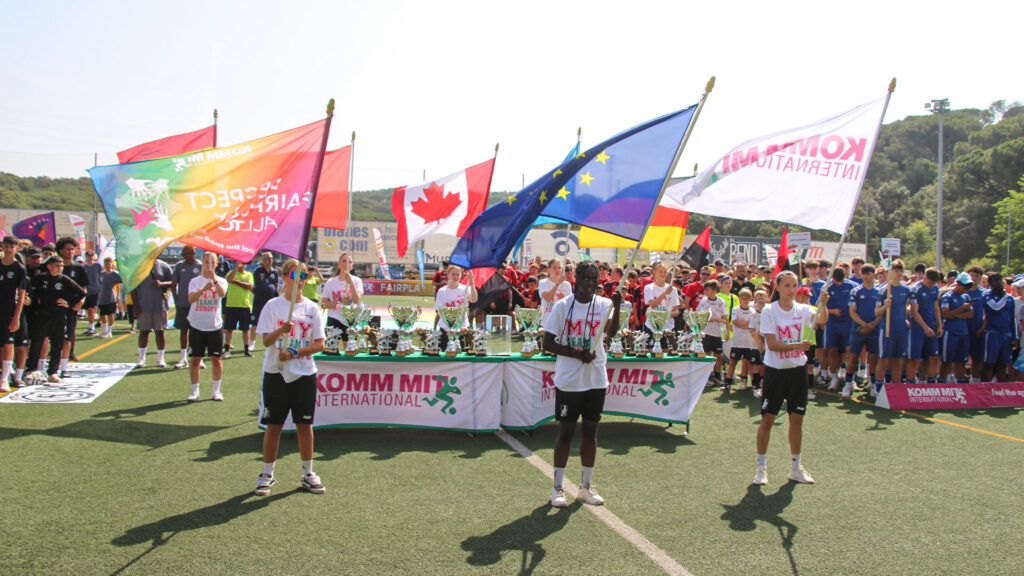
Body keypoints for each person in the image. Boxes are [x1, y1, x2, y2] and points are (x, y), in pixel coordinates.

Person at [542, 261, 620, 507]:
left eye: (593, 279)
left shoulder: (605, 304)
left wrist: (617, 307)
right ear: (575, 278)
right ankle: (557, 488)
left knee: (591, 432)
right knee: (565, 433)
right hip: (570, 380)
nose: (589, 283)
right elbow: (548, 343)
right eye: (585, 278)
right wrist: (577, 353)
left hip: (596, 378)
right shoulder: (562, 307)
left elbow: (612, 332)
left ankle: (585, 487)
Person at [255, 258, 326, 496]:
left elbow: (319, 344)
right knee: (273, 425)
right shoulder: (272, 306)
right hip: (276, 373)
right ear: (284, 278)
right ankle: (267, 473)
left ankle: (308, 473)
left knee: (304, 425)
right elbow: (265, 341)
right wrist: (280, 331)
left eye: (304, 276)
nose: (300, 281)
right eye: (296, 276)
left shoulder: (311, 308)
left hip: (305, 373)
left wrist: (295, 352)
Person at [754, 270, 827, 486]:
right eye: (787, 285)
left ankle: (796, 467)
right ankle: (761, 468)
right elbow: (773, 345)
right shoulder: (769, 310)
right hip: (776, 371)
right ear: (777, 287)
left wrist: (823, 303)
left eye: (794, 285)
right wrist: (799, 345)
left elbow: (821, 319)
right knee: (768, 418)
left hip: (797, 370)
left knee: (797, 418)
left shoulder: (803, 309)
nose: (792, 290)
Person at [27, 256, 85, 383]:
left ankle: (53, 372)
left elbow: (81, 293)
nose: (60, 268)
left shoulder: (64, 280)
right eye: (57, 266)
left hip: (58, 316)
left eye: (61, 266)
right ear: (49, 266)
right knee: (37, 342)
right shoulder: (40, 278)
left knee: (57, 344)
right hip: (42, 315)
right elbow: (31, 292)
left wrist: (69, 302)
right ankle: (31, 369)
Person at [186, 252, 228, 401]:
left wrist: (214, 280)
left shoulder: (222, 281)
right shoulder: (194, 281)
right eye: (206, 262)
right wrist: (203, 289)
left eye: (212, 262)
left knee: (216, 359)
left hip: (214, 326)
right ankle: (194, 390)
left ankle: (216, 391)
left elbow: (222, 294)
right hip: (197, 325)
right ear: (202, 263)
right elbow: (191, 299)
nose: (209, 265)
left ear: (217, 264)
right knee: (195, 360)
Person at [843, 264, 881, 398]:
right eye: (864, 273)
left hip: (874, 329)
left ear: (873, 274)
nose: (866, 275)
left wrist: (872, 325)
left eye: (869, 273)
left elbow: (881, 313)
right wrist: (865, 325)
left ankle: (873, 384)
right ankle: (848, 383)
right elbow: (852, 312)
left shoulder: (880, 292)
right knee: (853, 356)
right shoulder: (856, 291)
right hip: (858, 329)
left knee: (873, 358)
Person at [875, 260, 911, 391]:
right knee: (884, 360)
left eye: (901, 271)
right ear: (890, 272)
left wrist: (906, 318)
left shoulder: (906, 289)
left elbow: (906, 306)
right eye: (897, 271)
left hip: (901, 329)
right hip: (887, 330)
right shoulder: (884, 290)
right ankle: (878, 389)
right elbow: (877, 312)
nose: (899, 273)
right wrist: (885, 306)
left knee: (898, 361)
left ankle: (897, 390)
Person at [132, 258, 174, 368]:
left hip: (159, 305)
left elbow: (172, 283)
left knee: (160, 332)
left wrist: (161, 284)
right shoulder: (139, 267)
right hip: (143, 304)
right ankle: (141, 358)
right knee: (143, 332)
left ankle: (160, 358)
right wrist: (135, 305)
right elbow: (134, 287)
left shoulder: (164, 267)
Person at [978, 272, 1017, 382]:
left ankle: (1000, 393)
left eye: (1001, 280)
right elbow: (995, 307)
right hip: (992, 334)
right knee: (989, 364)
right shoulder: (986, 296)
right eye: (996, 281)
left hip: (1007, 334)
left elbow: (1012, 318)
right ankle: (985, 390)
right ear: (990, 283)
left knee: (1003, 365)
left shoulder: (1009, 298)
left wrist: (1014, 337)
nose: (1000, 283)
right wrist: (1005, 296)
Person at [56, 237, 88, 372]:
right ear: (61, 251)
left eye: (72, 249)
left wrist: (80, 302)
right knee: (55, 332)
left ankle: (70, 352)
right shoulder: (55, 266)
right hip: (56, 305)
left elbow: (83, 288)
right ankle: (55, 357)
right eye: (68, 249)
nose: (70, 252)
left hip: (72, 304)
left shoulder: (78, 268)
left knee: (70, 330)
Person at [823, 267, 856, 391]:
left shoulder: (853, 286)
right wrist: (832, 311)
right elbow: (820, 306)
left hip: (848, 323)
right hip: (832, 324)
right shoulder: (827, 288)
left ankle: (850, 379)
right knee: (833, 351)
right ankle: (834, 378)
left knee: (849, 351)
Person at [907, 268, 943, 383]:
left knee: (933, 358)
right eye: (930, 282)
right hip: (917, 328)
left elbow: (935, 308)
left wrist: (939, 325)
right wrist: (925, 327)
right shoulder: (915, 289)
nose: (931, 285)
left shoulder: (935, 289)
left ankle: (929, 384)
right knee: (914, 359)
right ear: (924, 278)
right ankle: (910, 385)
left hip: (931, 327)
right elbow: (914, 312)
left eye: (934, 283)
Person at [171, 246, 203, 369]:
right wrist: (176, 299)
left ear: (193, 254)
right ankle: (183, 357)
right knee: (183, 330)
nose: (184, 256)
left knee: (198, 331)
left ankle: (198, 357)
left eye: (186, 254)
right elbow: (174, 284)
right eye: (183, 254)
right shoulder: (179, 266)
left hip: (197, 304)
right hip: (183, 304)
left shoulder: (200, 266)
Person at [0, 237, 25, 392]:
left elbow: (22, 294)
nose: (8, 249)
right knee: (1, 347)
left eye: (11, 246)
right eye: (6, 246)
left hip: (10, 311)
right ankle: (5, 372)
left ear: (16, 248)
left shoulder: (19, 269)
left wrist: (16, 316)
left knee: (9, 344)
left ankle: (4, 379)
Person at [939, 273, 974, 383]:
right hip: (950, 332)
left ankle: (961, 383)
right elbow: (946, 315)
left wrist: (956, 314)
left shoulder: (966, 297)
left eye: (968, 287)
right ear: (958, 284)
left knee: (961, 361)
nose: (966, 289)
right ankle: (942, 383)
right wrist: (961, 309)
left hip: (963, 333)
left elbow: (971, 314)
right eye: (964, 286)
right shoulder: (947, 297)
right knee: (947, 361)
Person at [321, 253, 363, 343]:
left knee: (350, 349)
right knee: (331, 348)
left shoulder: (356, 281)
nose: (346, 264)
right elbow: (324, 304)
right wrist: (338, 302)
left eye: (350, 262)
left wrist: (350, 283)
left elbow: (356, 300)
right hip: (334, 318)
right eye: (344, 261)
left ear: (352, 265)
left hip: (350, 319)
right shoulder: (330, 282)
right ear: (339, 264)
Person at [434, 265, 477, 351]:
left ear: (461, 275)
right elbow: (439, 310)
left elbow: (474, 299)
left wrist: (472, 282)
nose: (456, 277)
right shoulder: (442, 291)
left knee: (460, 354)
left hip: (462, 328)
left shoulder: (465, 289)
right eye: (453, 274)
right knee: (444, 353)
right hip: (445, 328)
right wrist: (450, 323)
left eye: (458, 274)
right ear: (448, 275)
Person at [642, 262, 681, 353]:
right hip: (652, 326)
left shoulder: (673, 289)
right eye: (660, 271)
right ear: (654, 272)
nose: (663, 274)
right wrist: (665, 293)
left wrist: (666, 315)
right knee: (650, 352)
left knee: (666, 352)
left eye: (664, 271)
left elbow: (676, 311)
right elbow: (652, 305)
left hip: (667, 328)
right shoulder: (649, 288)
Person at [696, 279, 728, 387]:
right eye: (706, 289)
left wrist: (727, 331)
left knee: (718, 356)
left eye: (708, 290)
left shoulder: (721, 301)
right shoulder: (704, 302)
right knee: (707, 355)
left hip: (718, 333)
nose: (706, 292)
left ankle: (718, 376)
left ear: (714, 291)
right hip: (706, 332)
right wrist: (719, 320)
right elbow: (705, 318)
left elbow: (725, 317)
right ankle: (707, 376)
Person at [727, 288, 759, 391]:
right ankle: (727, 383)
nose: (745, 300)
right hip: (737, 342)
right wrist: (747, 324)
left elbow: (753, 325)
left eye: (747, 298)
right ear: (739, 298)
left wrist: (744, 324)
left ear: (750, 299)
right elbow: (735, 322)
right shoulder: (735, 309)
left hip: (749, 343)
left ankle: (753, 384)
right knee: (732, 363)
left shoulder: (753, 311)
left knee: (750, 365)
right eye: (743, 298)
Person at [223, 259, 254, 358]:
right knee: (229, 329)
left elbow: (250, 286)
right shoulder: (230, 273)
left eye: (243, 263)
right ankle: (227, 350)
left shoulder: (248, 274)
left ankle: (246, 350)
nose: (242, 264)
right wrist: (235, 269)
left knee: (245, 329)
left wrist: (236, 282)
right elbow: (229, 279)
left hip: (244, 305)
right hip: (231, 305)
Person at [250, 252, 280, 344]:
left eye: (271, 258)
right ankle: (252, 342)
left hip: (271, 300)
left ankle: (272, 339)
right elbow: (252, 285)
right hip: (259, 300)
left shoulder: (274, 271)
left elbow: (276, 285)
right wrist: (258, 293)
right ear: (263, 260)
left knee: (273, 320)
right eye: (268, 258)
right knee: (255, 321)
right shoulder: (258, 271)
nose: (270, 260)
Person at [96, 257, 122, 338]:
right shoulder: (102, 273)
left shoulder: (115, 274)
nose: (108, 265)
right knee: (102, 314)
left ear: (112, 264)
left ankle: (109, 331)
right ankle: (104, 330)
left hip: (111, 297)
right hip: (102, 297)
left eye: (109, 264)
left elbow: (122, 280)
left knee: (110, 314)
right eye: (106, 264)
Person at [82, 251, 102, 336]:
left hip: (96, 289)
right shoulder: (84, 267)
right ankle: (91, 327)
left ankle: (94, 326)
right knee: (88, 310)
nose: (90, 257)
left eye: (91, 256)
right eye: (88, 256)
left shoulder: (97, 265)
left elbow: (102, 276)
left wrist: (101, 288)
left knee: (91, 308)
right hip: (87, 290)